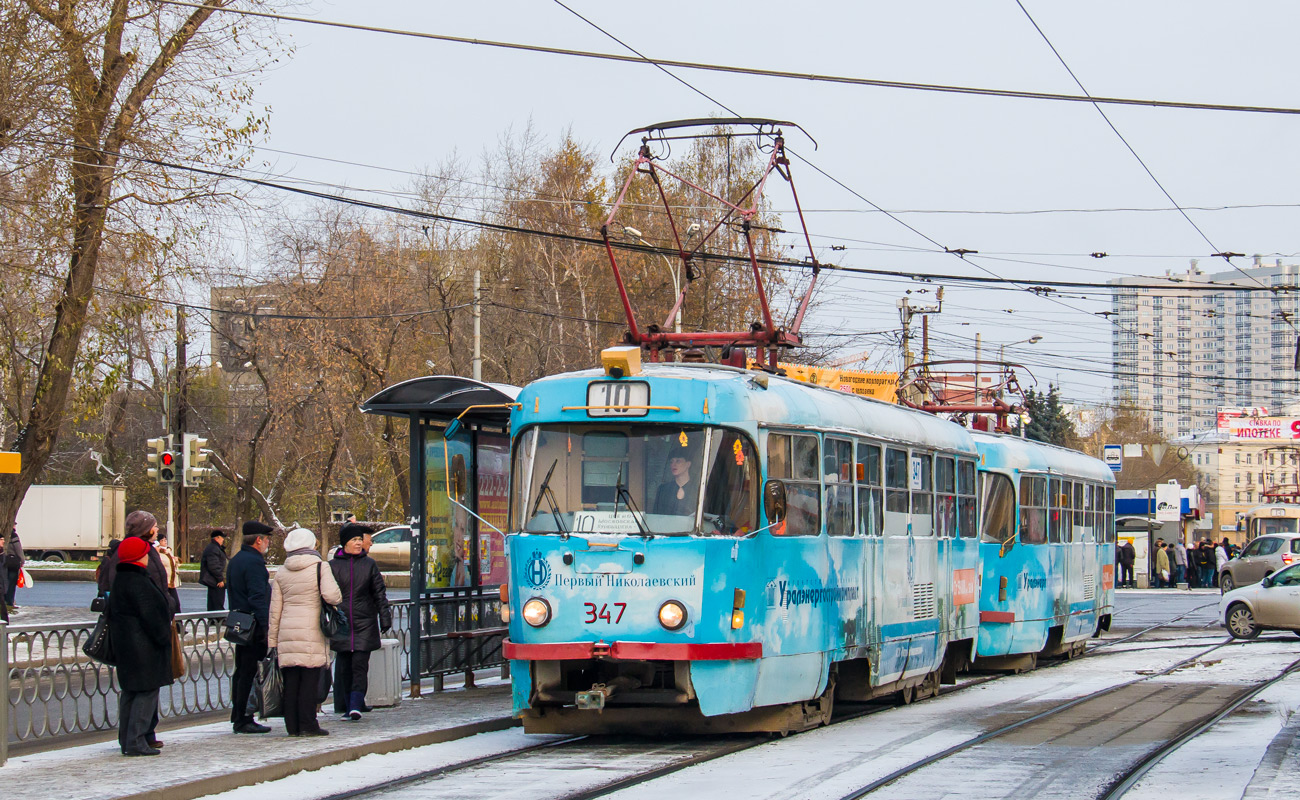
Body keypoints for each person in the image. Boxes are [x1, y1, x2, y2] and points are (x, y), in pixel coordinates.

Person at [269, 528, 342, 737]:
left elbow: (275, 610)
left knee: (291, 681)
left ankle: (292, 726)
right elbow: (332, 596)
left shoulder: (282, 572)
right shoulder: (320, 567)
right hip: (312, 630)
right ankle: (308, 724)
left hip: (287, 631)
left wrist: (272, 641)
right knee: (310, 680)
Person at [107, 536, 174, 756]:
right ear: (138, 557)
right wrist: (163, 636)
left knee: (130, 693)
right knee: (146, 692)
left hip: (126, 646)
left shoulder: (122, 579)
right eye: (145, 554)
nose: (148, 557)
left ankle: (127, 740)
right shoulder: (139, 582)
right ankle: (136, 741)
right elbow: (152, 617)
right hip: (144, 648)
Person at [330, 524, 392, 720]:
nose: (359, 543)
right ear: (345, 543)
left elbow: (379, 593)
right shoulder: (332, 566)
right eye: (354, 540)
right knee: (345, 668)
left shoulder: (369, 564)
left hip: (364, 622)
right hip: (342, 624)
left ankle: (356, 705)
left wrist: (385, 617)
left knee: (360, 665)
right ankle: (349, 706)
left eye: (360, 540)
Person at [227, 520, 274, 734]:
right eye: (267, 540)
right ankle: (244, 717)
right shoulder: (254, 563)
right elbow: (258, 597)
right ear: (258, 540)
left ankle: (238, 714)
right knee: (249, 671)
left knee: (241, 671)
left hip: (239, 623)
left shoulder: (236, 559)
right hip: (253, 626)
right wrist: (266, 627)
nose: (268, 544)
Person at [199, 530, 229, 612]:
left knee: (215, 600)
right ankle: (217, 618)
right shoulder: (213, 548)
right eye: (222, 538)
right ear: (217, 538)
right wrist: (220, 579)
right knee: (217, 600)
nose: (223, 540)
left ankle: (213, 618)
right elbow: (214, 566)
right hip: (215, 580)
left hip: (215, 579)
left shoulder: (215, 548)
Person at [156, 531, 182, 612]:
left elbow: (173, 565)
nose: (165, 541)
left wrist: (176, 560)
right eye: (163, 540)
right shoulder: (158, 553)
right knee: (168, 604)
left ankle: (177, 622)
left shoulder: (168, 551)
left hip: (171, 582)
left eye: (165, 540)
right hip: (164, 582)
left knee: (176, 603)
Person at [5, 524, 25, 611]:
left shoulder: (4, 534)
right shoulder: (13, 536)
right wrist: (22, 561)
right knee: (12, 583)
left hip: (4, 562)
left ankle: (5, 600)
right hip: (13, 563)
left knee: (5, 582)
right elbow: (18, 550)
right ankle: (9, 602)